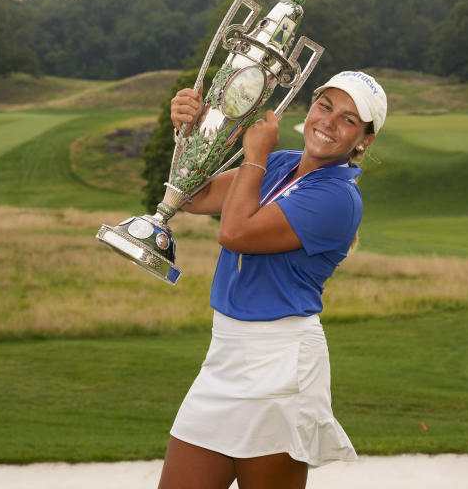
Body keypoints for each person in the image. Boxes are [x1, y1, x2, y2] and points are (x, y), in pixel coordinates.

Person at [157, 71, 388, 489]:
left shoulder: (338, 198)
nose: (330, 123)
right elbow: (193, 196)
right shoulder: (281, 163)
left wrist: (254, 157)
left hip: (281, 363)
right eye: (326, 107)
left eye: (350, 120)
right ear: (311, 108)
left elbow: (235, 234)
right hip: (225, 353)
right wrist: (191, 133)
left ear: (364, 140)